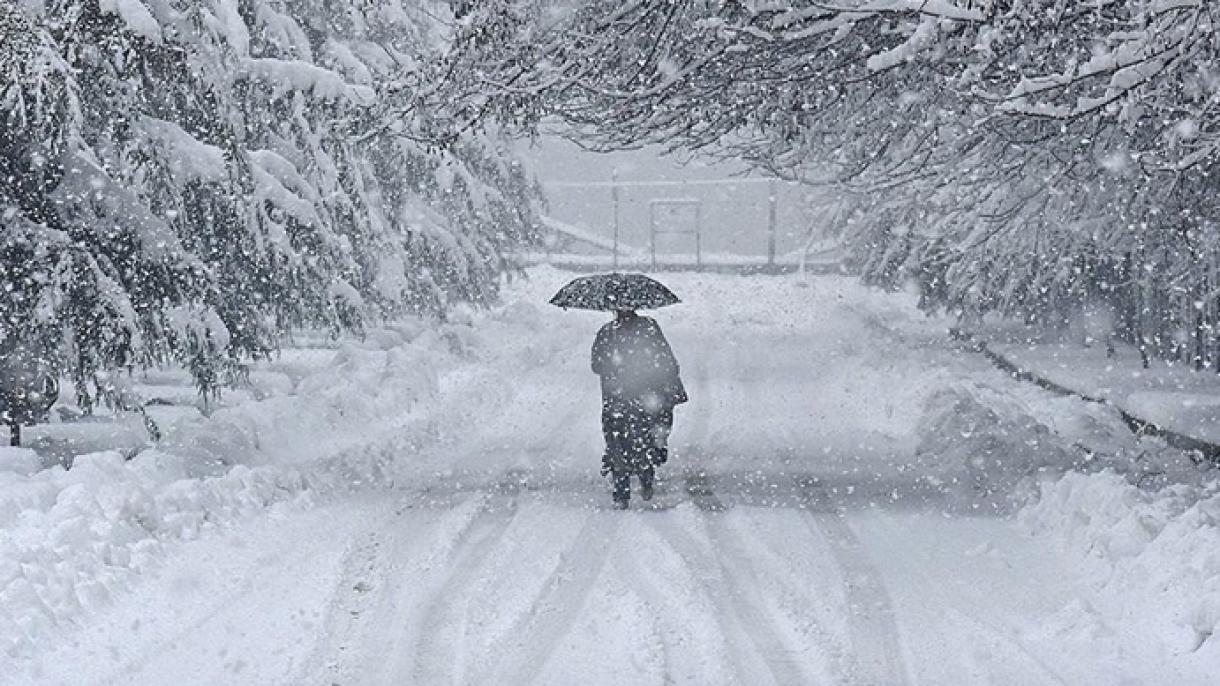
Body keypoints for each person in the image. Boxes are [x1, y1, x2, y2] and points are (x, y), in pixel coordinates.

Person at [591, 309, 686, 509]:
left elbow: (596, 365)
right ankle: (646, 479)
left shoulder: (607, 332)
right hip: (645, 398)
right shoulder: (649, 329)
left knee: (617, 442)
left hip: (617, 399)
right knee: (644, 440)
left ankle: (621, 491)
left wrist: (616, 367)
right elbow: (666, 360)